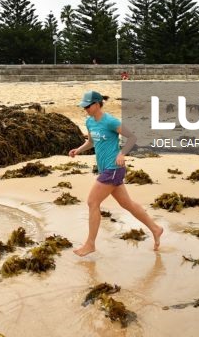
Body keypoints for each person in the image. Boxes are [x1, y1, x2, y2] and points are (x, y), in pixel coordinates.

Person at [69, 90, 163, 255]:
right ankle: (156, 228)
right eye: (84, 107)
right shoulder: (90, 122)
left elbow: (132, 138)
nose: (86, 109)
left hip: (114, 169)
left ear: (97, 104)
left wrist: (122, 153)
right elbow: (91, 142)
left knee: (92, 202)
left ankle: (90, 244)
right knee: (127, 204)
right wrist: (79, 149)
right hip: (106, 169)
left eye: (88, 106)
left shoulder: (110, 121)